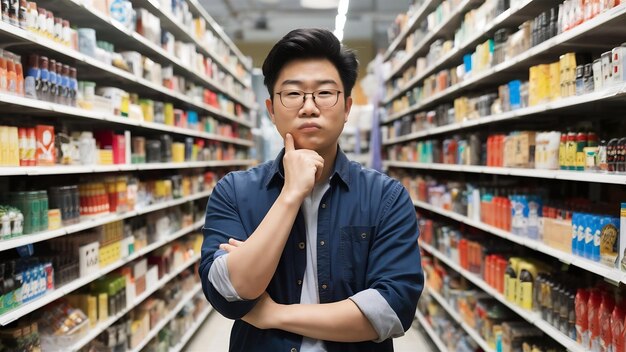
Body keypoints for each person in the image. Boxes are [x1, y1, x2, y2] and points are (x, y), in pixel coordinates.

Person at [199, 28, 423, 352]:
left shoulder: (386, 198)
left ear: (346, 108)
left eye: (324, 93)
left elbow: (392, 310)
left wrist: (274, 314)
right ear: (271, 110)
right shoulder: (234, 192)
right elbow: (230, 291)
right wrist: (290, 194)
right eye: (292, 94)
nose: (308, 107)